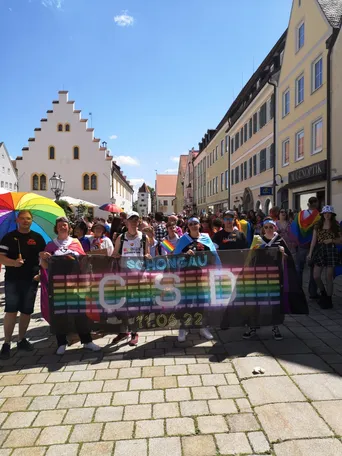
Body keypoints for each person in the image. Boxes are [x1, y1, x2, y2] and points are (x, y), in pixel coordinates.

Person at [39, 216, 101, 355]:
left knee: (80, 313)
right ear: (56, 228)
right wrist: (43, 258)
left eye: (65, 225)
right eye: (60, 225)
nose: (62, 227)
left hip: (76, 284)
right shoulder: (50, 245)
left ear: (69, 227)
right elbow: (44, 266)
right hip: (58, 286)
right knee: (59, 314)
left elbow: (84, 261)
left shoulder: (75, 242)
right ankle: (61, 342)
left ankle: (87, 341)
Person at [0, 210, 46, 359]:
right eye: (22, 218)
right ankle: (6, 343)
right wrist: (13, 263)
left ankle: (21, 339)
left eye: (28, 218)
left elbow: (42, 259)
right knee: (11, 310)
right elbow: (1, 257)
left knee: (27, 311)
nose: (25, 221)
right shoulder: (8, 238)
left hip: (31, 279)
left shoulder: (37, 238)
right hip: (12, 279)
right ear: (17, 221)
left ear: (31, 221)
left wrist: (43, 269)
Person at [244, 218, 290, 341]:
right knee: (255, 301)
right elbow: (250, 257)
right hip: (259, 275)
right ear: (263, 229)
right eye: (266, 227)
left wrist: (282, 252)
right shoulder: (257, 239)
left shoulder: (279, 240)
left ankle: (275, 327)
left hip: (275, 276)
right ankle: (253, 326)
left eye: (271, 227)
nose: (269, 229)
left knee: (274, 302)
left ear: (275, 228)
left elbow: (287, 258)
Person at [174, 216, 217, 342]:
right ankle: (183, 328)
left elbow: (213, 255)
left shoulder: (206, 238)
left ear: (200, 225)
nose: (193, 225)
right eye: (191, 224)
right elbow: (176, 257)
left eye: (195, 223)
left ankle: (202, 327)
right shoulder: (183, 240)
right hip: (186, 275)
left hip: (202, 276)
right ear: (188, 226)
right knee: (185, 303)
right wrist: (185, 254)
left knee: (202, 302)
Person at [112, 211, 150, 346]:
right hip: (123, 276)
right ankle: (124, 331)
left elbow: (147, 254)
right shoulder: (121, 238)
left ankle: (134, 332)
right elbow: (114, 255)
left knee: (135, 306)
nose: (134, 222)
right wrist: (115, 255)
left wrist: (147, 256)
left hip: (138, 276)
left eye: (136, 220)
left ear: (139, 222)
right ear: (126, 222)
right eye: (131, 220)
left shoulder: (144, 237)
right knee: (122, 305)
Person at [308, 206, 342, 309]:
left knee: (329, 276)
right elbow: (313, 240)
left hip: (331, 250)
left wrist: (331, 240)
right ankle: (323, 293)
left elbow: (340, 240)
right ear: (322, 214)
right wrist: (310, 253)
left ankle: (329, 298)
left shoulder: (335, 225)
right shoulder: (318, 225)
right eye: (325, 213)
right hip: (320, 250)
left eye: (329, 213)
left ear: (332, 214)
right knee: (316, 275)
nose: (327, 215)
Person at [292, 196, 320, 298]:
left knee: (299, 269)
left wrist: (297, 241)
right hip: (314, 245)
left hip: (301, 245)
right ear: (316, 203)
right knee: (313, 269)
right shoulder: (318, 216)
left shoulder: (300, 215)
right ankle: (312, 293)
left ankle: (299, 291)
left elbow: (294, 229)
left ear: (308, 203)